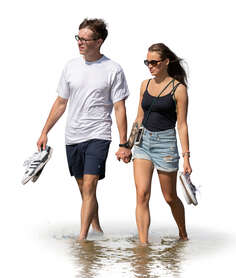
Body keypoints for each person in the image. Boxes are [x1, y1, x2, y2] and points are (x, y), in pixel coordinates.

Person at [37, 18, 131, 240]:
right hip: (73, 136)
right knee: (84, 189)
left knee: (89, 185)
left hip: (99, 134)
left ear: (98, 42)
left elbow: (119, 107)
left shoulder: (113, 69)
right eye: (77, 37)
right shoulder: (70, 66)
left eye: (84, 39)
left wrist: (123, 142)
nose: (79, 42)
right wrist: (44, 131)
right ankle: (96, 228)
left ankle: (82, 238)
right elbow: (61, 102)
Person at [132, 43, 192, 243]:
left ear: (166, 62)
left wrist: (186, 157)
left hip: (166, 143)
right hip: (143, 143)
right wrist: (127, 145)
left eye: (154, 62)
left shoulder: (179, 89)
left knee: (169, 197)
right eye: (147, 62)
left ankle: (183, 234)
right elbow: (139, 118)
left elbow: (182, 125)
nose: (150, 66)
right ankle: (143, 244)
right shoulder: (144, 85)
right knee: (142, 194)